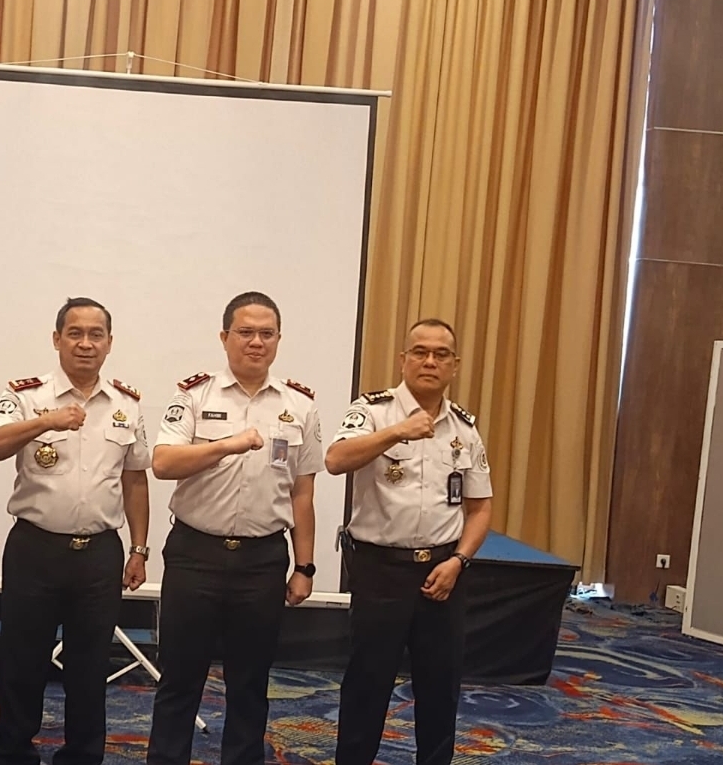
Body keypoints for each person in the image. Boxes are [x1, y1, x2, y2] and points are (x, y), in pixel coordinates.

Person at [147, 291, 321, 765]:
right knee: (180, 677)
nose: (256, 342)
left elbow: (302, 493)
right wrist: (226, 445)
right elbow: (163, 463)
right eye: (245, 332)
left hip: (262, 560)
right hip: (196, 554)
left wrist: (305, 565)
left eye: (266, 333)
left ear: (279, 340)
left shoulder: (300, 405)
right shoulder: (194, 395)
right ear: (225, 337)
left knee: (250, 681)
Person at [0, 297, 151, 765]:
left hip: (99, 552)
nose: (85, 343)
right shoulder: (26, 395)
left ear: (109, 343)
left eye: (96, 334)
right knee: (23, 660)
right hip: (35, 547)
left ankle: (82, 756)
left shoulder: (126, 403)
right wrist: (46, 421)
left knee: (90, 665)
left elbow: (135, 479)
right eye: (75, 333)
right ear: (57, 339)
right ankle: (14, 754)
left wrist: (139, 548)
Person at [325, 318, 493, 765]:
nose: (429, 361)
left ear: (454, 365)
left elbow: (480, 508)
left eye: (441, 354)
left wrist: (459, 561)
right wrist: (396, 432)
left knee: (440, 686)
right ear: (403, 360)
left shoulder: (464, 428)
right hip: (380, 570)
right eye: (420, 352)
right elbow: (336, 460)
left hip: (443, 572)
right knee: (367, 684)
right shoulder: (372, 411)